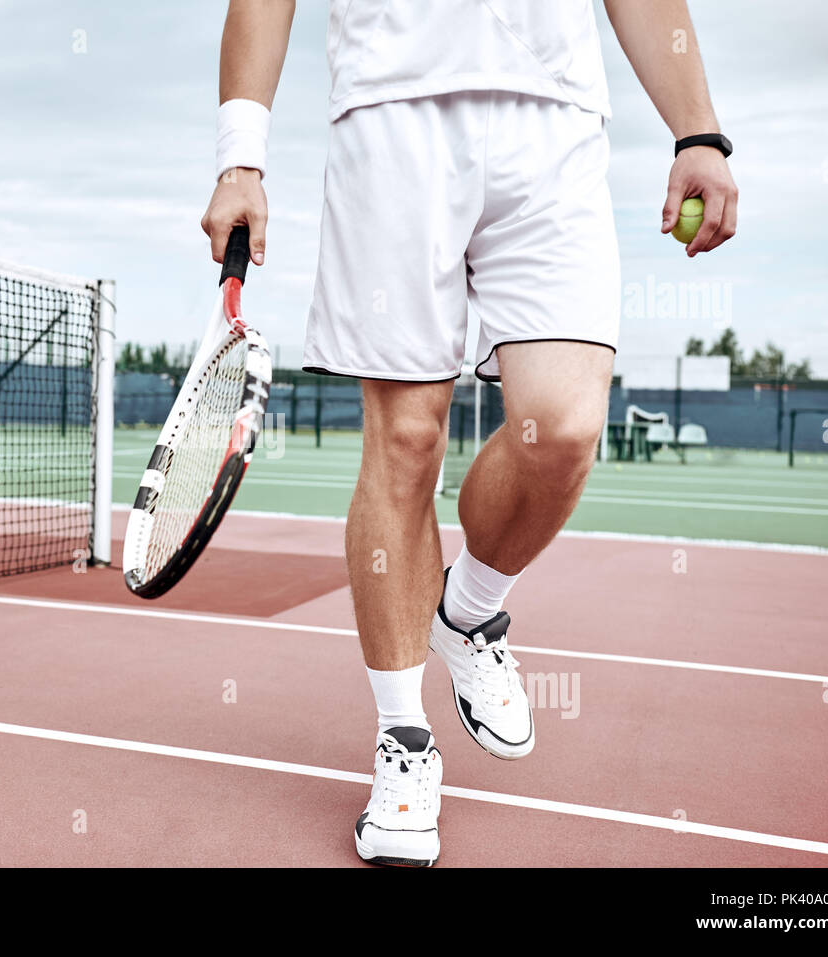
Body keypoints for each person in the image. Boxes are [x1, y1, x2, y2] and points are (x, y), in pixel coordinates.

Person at [201, 0, 738, 866]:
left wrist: (698, 133)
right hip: (391, 110)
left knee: (562, 428)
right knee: (407, 441)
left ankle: (468, 608)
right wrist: (240, 157)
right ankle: (403, 742)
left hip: (555, 117)